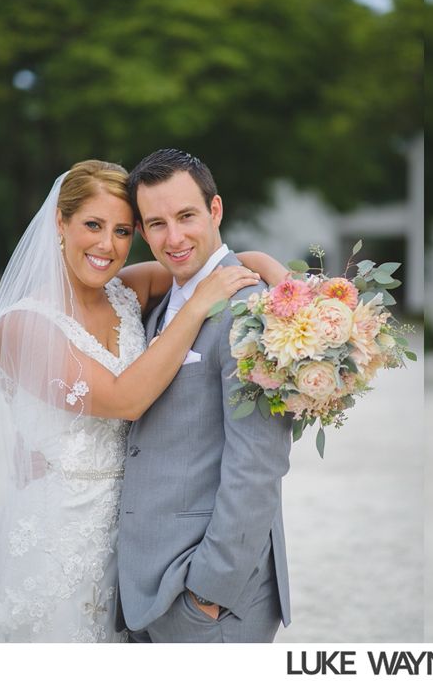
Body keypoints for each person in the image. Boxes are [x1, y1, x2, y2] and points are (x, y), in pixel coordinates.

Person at [0, 159, 280, 642]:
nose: (107, 245)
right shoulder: (21, 326)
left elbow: (207, 262)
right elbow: (125, 400)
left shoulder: (127, 291)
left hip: (136, 547)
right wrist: (197, 307)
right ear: (60, 223)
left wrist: (275, 274)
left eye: (122, 231)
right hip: (60, 535)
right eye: (93, 225)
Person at [116, 149, 292, 643]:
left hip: (208, 599)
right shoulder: (161, 301)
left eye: (186, 216)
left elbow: (257, 463)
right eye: (157, 224)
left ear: (215, 210)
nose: (173, 238)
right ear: (142, 230)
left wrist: (208, 592)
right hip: (145, 586)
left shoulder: (252, 310)